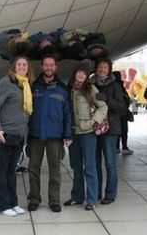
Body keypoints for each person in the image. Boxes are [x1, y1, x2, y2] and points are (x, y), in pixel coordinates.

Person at [0, 56, 33, 217]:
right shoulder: (5, 83)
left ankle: (13, 203)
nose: (22, 67)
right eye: (19, 64)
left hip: (17, 137)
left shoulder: (25, 85)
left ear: (28, 68)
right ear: (13, 67)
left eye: (24, 64)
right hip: (2, 136)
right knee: (1, 171)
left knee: (11, 171)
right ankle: (3, 205)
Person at [27, 55, 72, 213]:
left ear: (56, 67)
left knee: (55, 170)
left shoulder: (62, 88)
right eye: (46, 65)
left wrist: (68, 134)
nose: (48, 67)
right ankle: (34, 198)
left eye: (51, 65)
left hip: (55, 136)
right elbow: (27, 112)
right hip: (35, 135)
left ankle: (54, 201)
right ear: (42, 67)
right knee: (33, 168)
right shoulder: (33, 87)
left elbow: (68, 114)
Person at [64, 66, 107, 210]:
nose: (81, 75)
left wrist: (94, 122)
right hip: (73, 134)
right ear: (75, 74)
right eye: (79, 72)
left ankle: (92, 199)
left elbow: (103, 107)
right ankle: (77, 196)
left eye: (84, 73)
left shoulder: (91, 89)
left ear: (87, 76)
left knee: (90, 167)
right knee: (76, 166)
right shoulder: (69, 90)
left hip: (88, 133)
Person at [92, 58, 128, 204]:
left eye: (105, 67)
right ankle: (97, 192)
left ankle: (110, 194)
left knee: (110, 163)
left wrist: (107, 100)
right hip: (94, 128)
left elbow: (122, 107)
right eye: (100, 67)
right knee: (95, 163)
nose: (102, 70)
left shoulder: (115, 85)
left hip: (110, 129)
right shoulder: (91, 84)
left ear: (109, 69)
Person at [114, 71, 134, 155]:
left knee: (119, 131)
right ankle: (124, 147)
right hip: (121, 113)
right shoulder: (118, 86)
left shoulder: (115, 85)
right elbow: (125, 99)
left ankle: (117, 148)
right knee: (123, 131)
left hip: (118, 113)